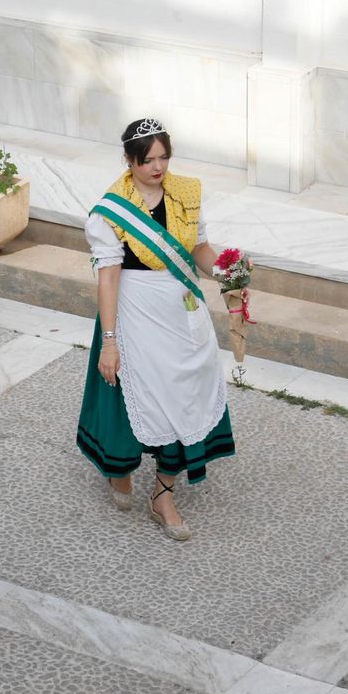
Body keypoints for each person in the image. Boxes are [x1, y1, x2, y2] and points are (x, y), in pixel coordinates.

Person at [77, 119, 235, 541]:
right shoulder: (110, 211)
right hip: (135, 312)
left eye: (164, 157)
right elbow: (108, 278)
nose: (158, 167)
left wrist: (228, 274)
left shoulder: (185, 194)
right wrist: (109, 342)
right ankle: (119, 466)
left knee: (187, 393)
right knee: (133, 397)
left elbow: (199, 249)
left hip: (183, 311)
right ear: (129, 161)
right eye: (148, 160)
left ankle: (163, 493)